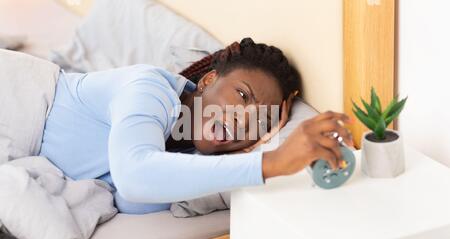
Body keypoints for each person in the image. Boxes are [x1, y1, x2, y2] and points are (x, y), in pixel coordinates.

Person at [39, 37, 353, 214]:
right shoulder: (149, 89)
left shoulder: (185, 150)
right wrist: (269, 162)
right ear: (207, 81)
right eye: (242, 95)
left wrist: (237, 154)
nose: (243, 119)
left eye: (262, 120)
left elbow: (130, 200)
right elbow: (133, 177)